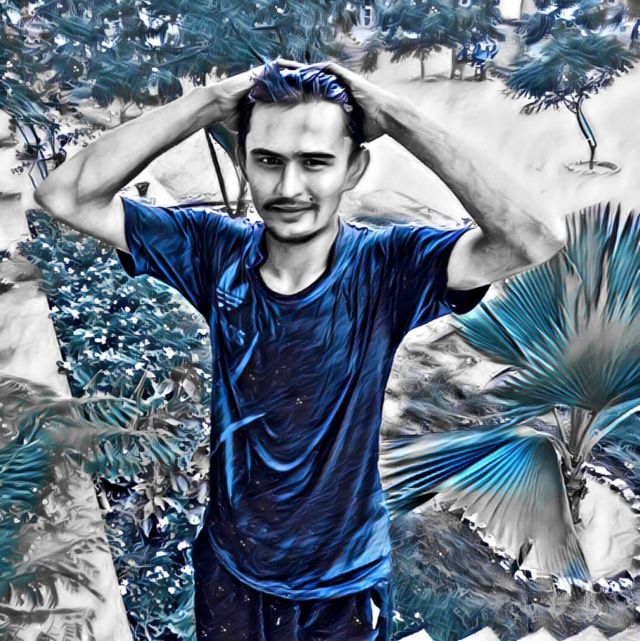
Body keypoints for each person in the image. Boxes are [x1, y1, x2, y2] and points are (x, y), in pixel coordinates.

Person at [34, 60, 565, 640]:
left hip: (342, 586)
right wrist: (208, 103)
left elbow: (532, 237)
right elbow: (65, 196)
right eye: (268, 160)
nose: (288, 188)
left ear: (354, 167)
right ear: (244, 162)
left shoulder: (388, 268)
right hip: (231, 571)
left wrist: (394, 113)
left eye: (315, 162)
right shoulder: (213, 253)